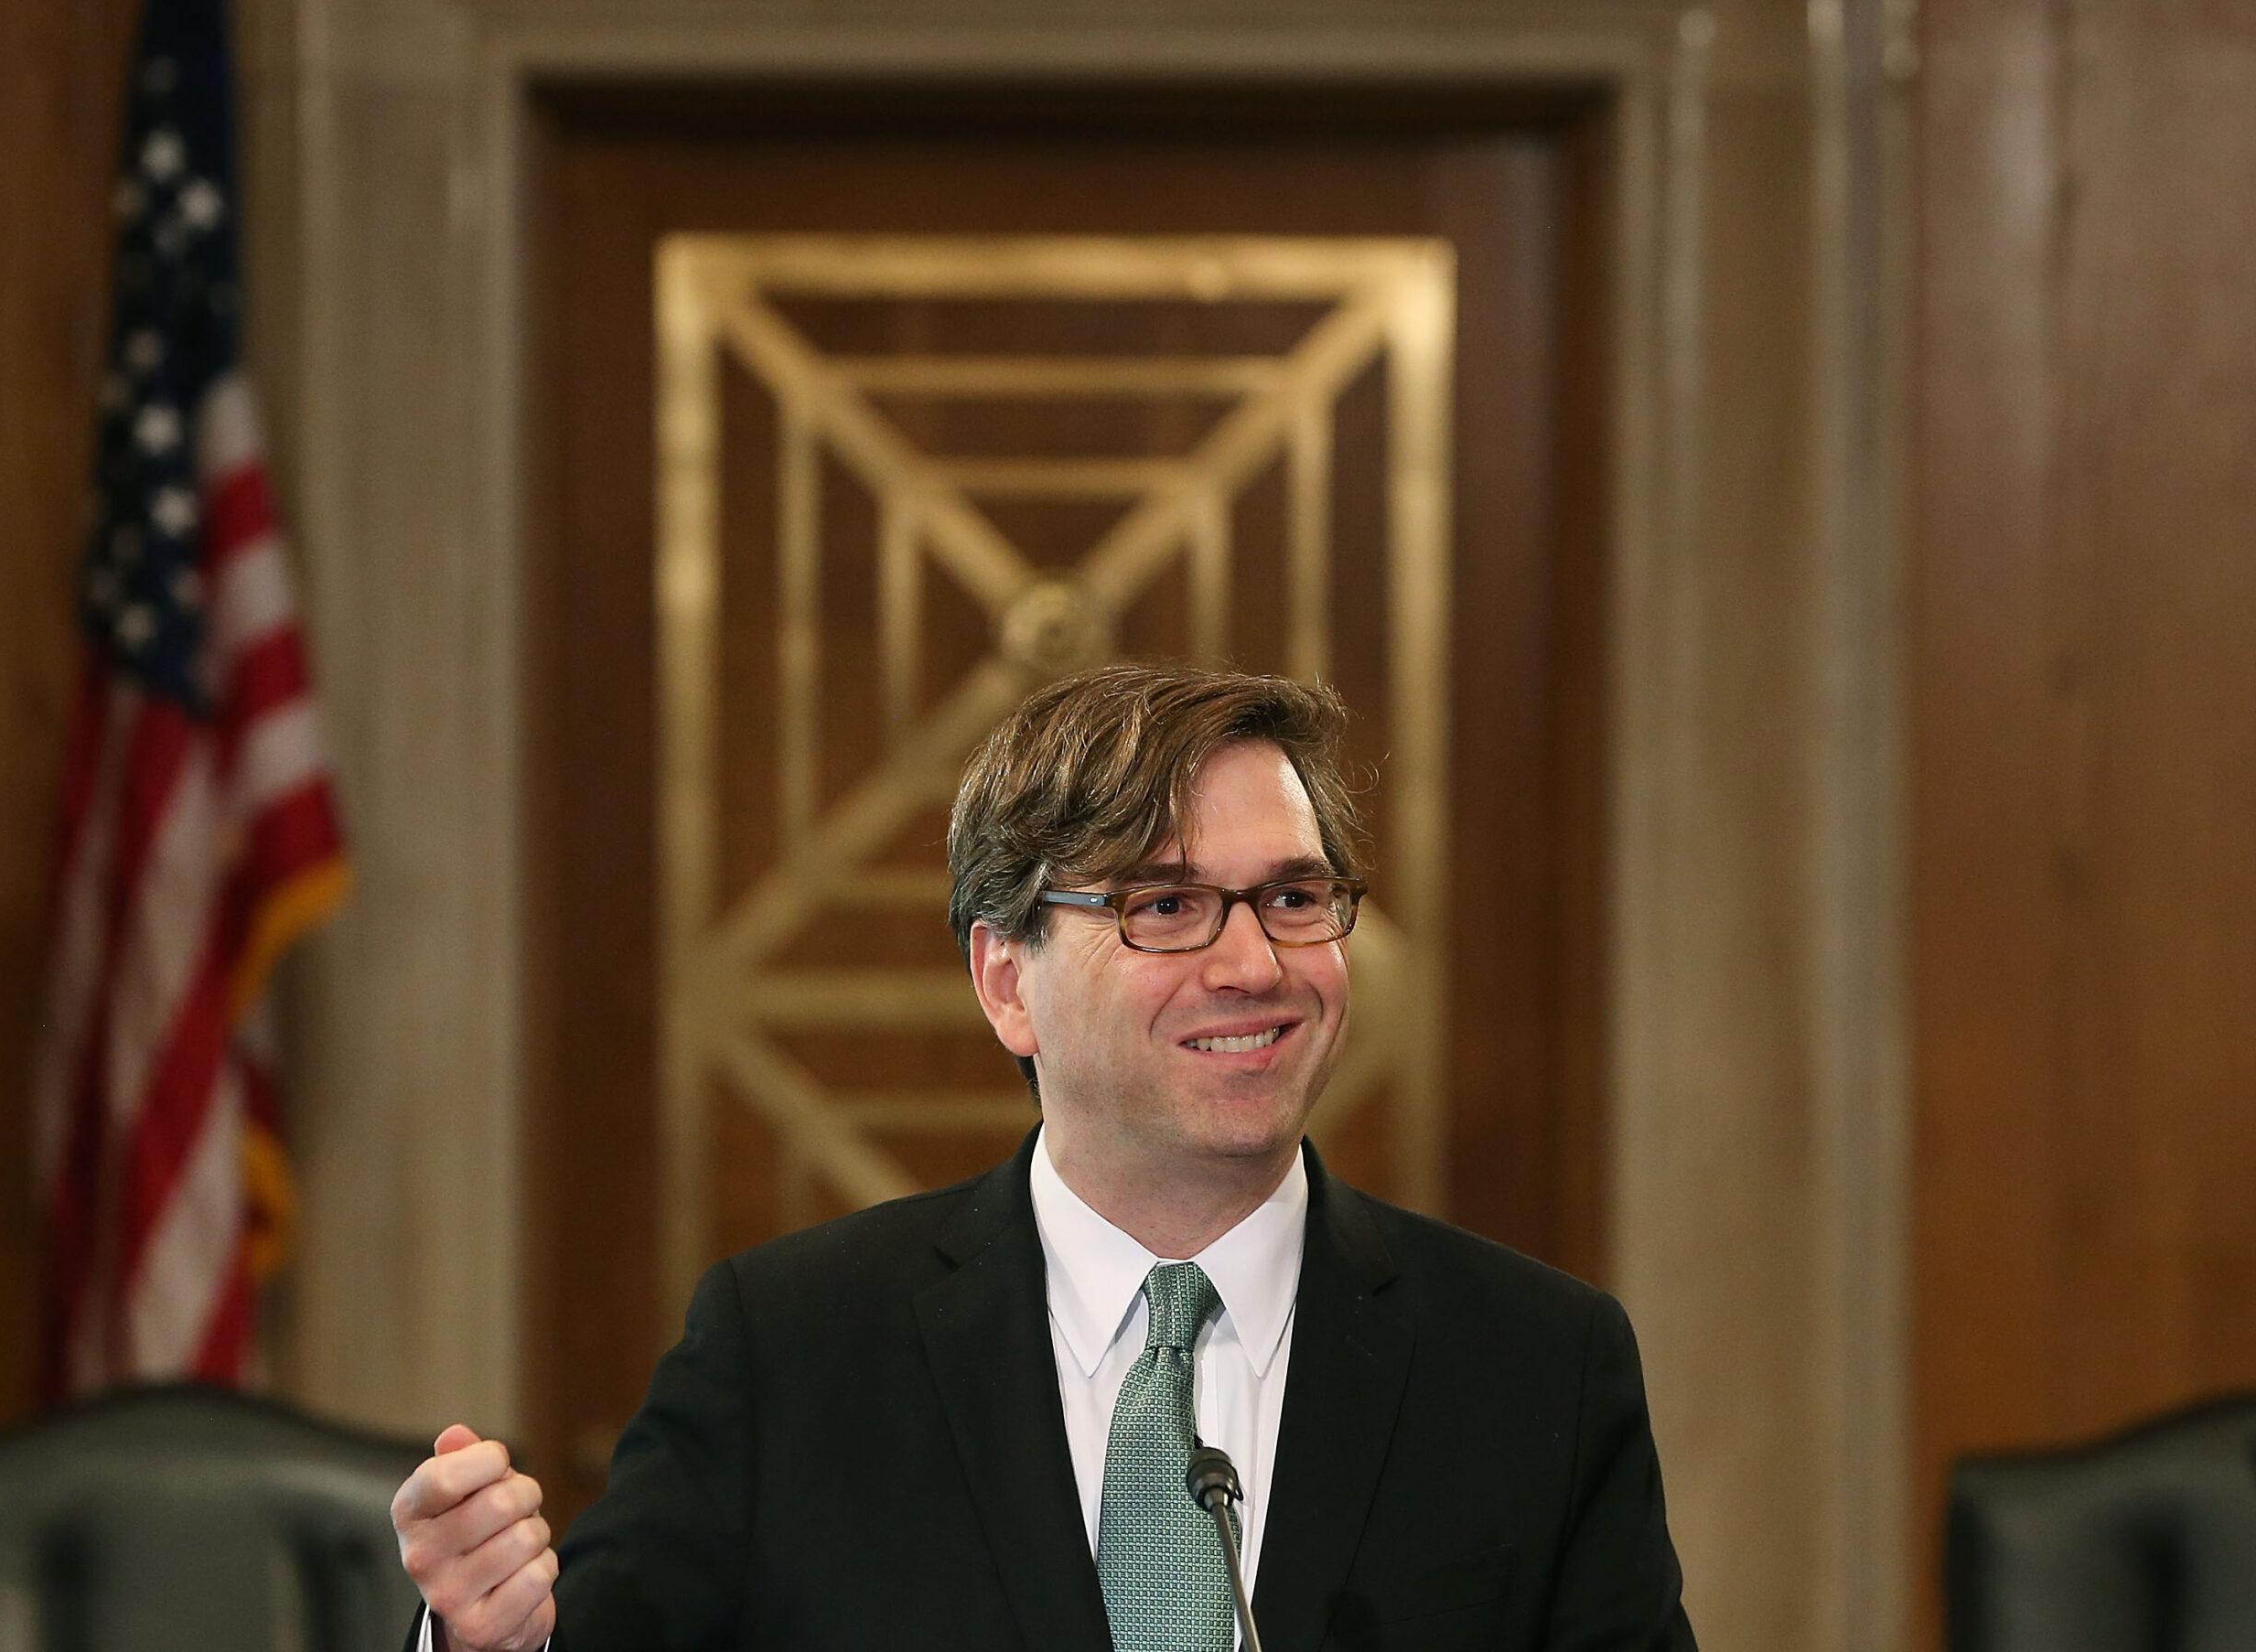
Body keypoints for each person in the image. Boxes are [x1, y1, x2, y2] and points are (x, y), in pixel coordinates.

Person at [391, 664, 1697, 1651]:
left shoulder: (1536, 1366)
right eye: (1166, 905)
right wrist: (485, 1646)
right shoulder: (790, 1352)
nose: (1254, 963)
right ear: (1006, 980)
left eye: (1295, 898)